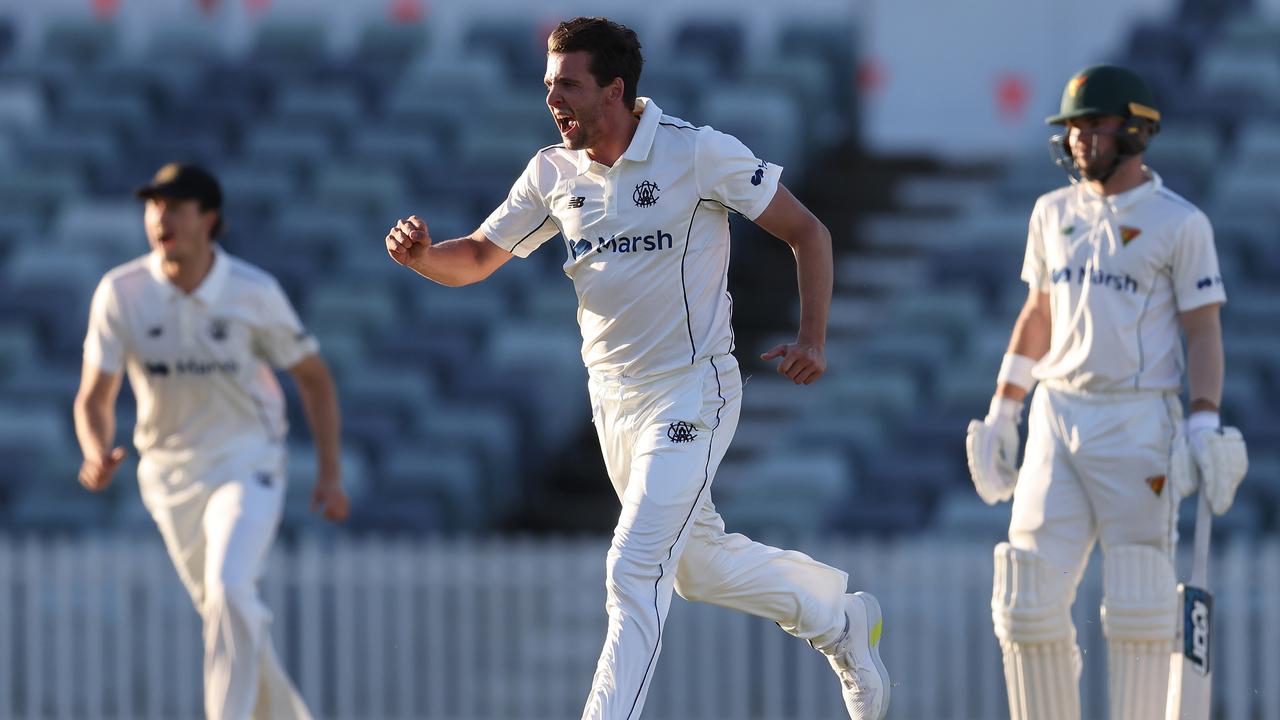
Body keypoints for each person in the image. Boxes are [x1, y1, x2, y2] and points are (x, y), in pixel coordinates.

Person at [383, 16, 889, 720]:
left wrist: (812, 337)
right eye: (548, 86)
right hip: (614, 403)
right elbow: (476, 256)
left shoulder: (698, 152)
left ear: (614, 90)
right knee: (694, 567)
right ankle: (839, 618)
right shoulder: (551, 172)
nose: (553, 100)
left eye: (568, 85)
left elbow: (808, 231)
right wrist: (422, 257)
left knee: (632, 569)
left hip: (695, 389)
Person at [964, 65, 1248, 720]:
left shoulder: (1181, 224)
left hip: (1138, 419)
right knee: (1027, 599)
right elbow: (1038, 313)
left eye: (1096, 126)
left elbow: (1203, 334)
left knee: (1141, 602)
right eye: (1073, 128)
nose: (1081, 140)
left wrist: (1203, 421)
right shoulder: (1050, 212)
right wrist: (1005, 408)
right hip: (1055, 414)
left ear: (1137, 129)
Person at [73, 162, 350, 720]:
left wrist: (329, 473)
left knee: (227, 591)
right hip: (168, 476)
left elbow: (315, 379)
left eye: (175, 207)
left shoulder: (253, 292)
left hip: (248, 461)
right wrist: (94, 451)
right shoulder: (121, 292)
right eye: (154, 206)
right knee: (230, 613)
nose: (160, 218)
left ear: (209, 219)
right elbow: (94, 398)